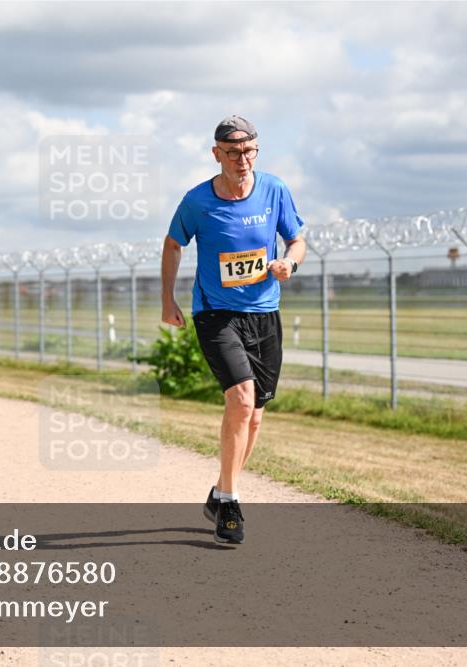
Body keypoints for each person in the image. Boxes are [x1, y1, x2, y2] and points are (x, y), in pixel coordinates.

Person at [161, 115, 307, 545]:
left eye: (249, 151)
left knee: (255, 416)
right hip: (216, 313)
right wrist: (167, 298)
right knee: (241, 401)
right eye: (233, 153)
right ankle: (231, 502)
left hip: (264, 313)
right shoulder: (197, 201)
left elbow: (296, 239)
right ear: (216, 154)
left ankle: (219, 492)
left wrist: (289, 263)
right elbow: (173, 244)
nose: (242, 160)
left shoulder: (274, 189)